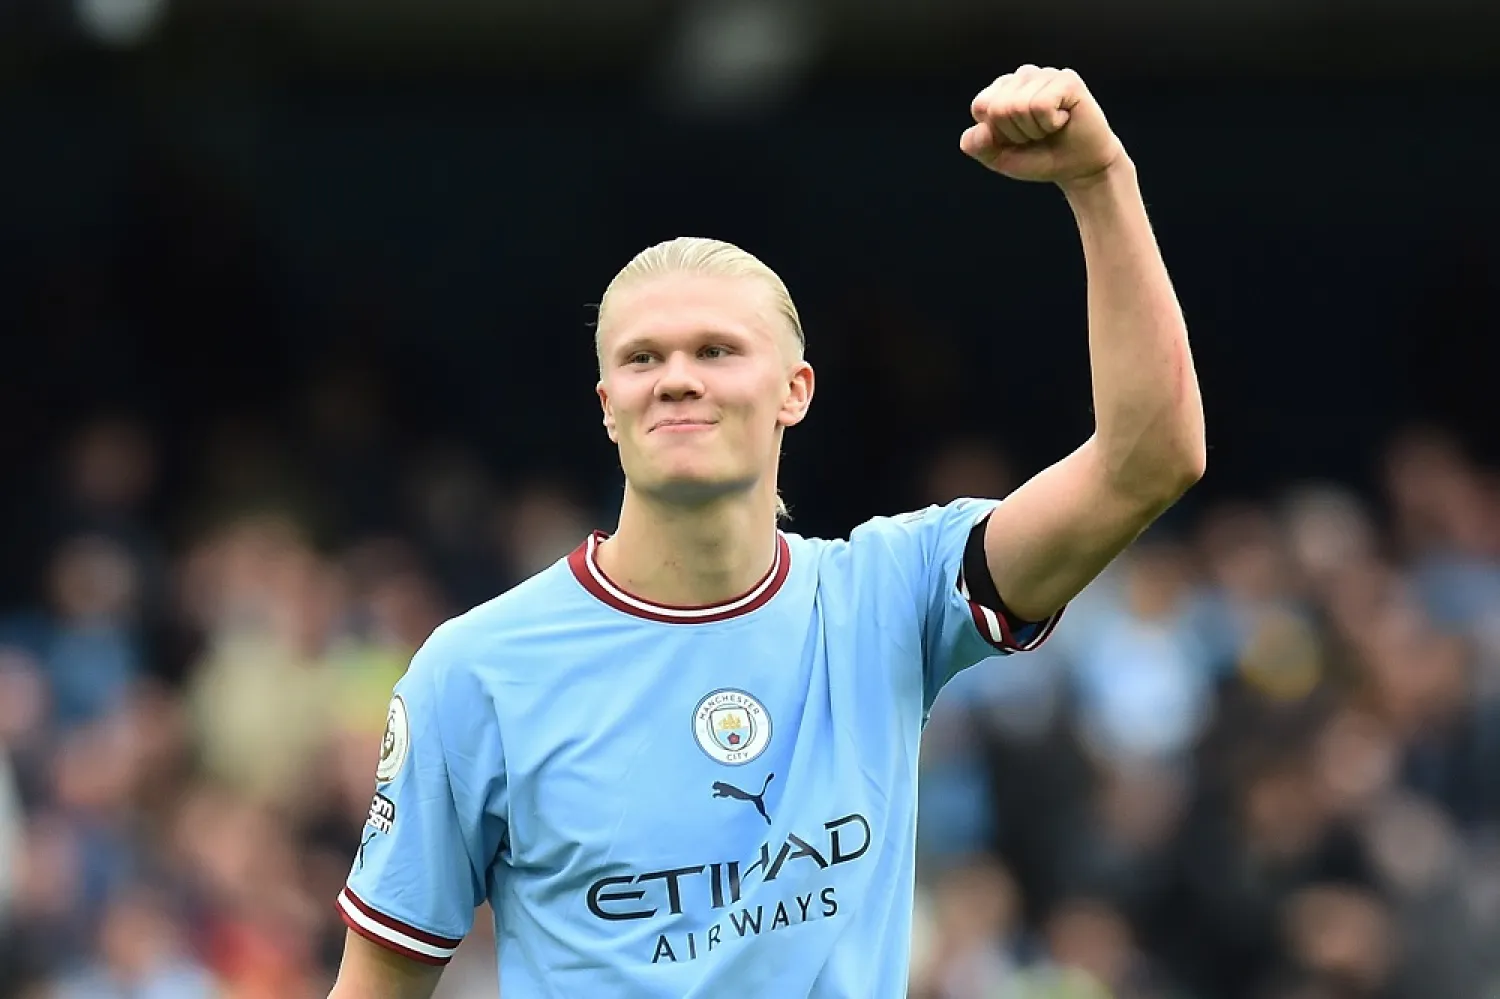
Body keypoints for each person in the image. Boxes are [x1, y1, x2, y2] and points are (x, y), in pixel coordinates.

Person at [328, 64, 1206, 999]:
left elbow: (1148, 463)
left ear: (796, 391)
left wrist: (1100, 179)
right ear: (607, 408)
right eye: (642, 358)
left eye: (715, 350)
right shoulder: (478, 670)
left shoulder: (888, 596)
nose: (676, 377)